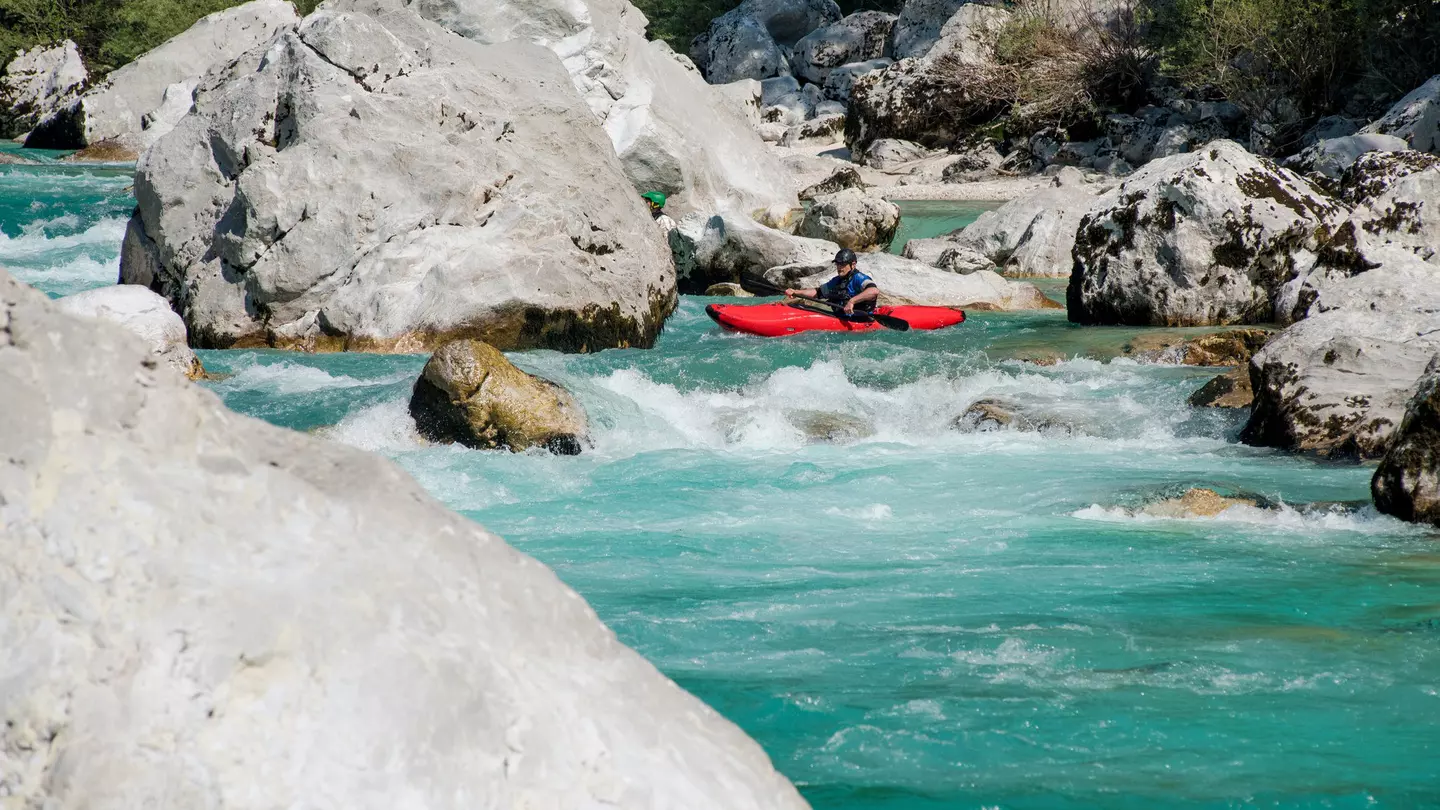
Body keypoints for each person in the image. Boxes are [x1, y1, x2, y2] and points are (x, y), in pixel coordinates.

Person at [786, 248, 879, 315]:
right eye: (837, 264)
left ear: (853, 265)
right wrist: (795, 292)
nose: (839, 267)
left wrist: (852, 301)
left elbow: (874, 291)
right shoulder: (837, 281)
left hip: (862, 320)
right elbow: (817, 293)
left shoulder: (859, 278)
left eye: (842, 264)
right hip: (842, 318)